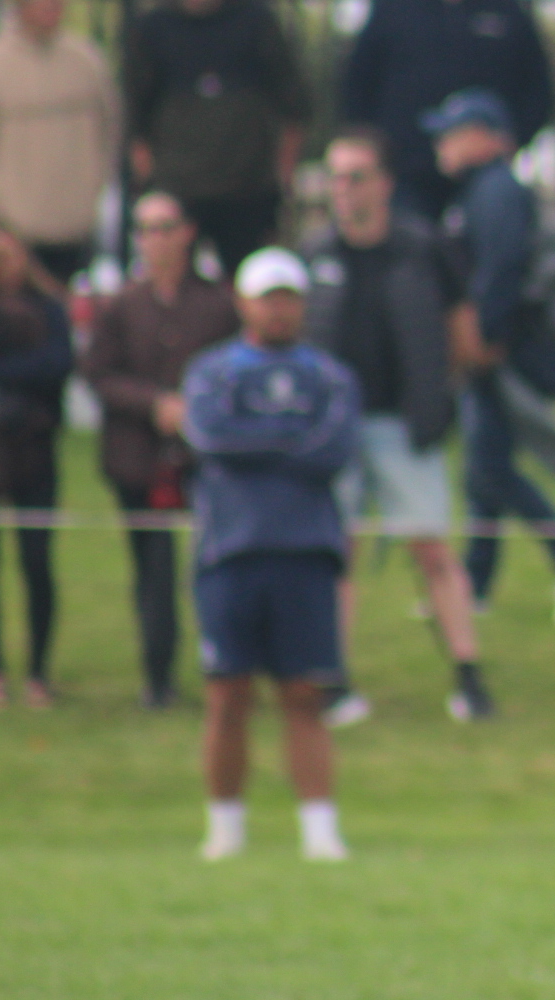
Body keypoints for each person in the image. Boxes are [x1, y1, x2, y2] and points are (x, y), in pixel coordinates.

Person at [303, 126, 494, 722]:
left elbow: (462, 331)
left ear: (383, 184)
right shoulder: (313, 254)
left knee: (432, 549)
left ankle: (468, 677)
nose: (343, 189)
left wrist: (440, 395)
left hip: (404, 424)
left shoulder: (423, 248)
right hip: (334, 429)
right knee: (338, 554)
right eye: (334, 177)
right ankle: (332, 679)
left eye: (355, 177)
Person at [183, 247, 358, 862]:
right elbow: (211, 438)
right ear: (243, 302)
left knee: (305, 693)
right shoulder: (212, 372)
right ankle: (225, 828)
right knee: (227, 693)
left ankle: (320, 831)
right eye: (267, 298)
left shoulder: (330, 376)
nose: (278, 309)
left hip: (305, 550)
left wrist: (258, 443)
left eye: (288, 298)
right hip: (230, 551)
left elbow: (333, 449)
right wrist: (288, 440)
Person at [431, 90, 555, 624]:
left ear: (487, 138)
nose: (442, 143)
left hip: (499, 348)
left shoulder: (496, 191)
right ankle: (474, 587)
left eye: (452, 132)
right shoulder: (482, 190)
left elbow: (503, 266)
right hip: (495, 344)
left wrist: (483, 335)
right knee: (483, 468)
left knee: (489, 470)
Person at [82, 192, 239, 708]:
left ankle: (225, 666)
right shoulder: (121, 304)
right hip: (138, 458)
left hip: (204, 458)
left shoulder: (217, 303)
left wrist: (197, 406)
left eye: (165, 227)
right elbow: (98, 373)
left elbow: (235, 366)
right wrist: (154, 404)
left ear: (187, 232)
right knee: (152, 569)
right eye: (145, 229)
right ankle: (158, 676)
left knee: (215, 563)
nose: (156, 240)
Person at [341, 0, 554, 221]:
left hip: (484, 166)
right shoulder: (395, 8)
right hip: (406, 172)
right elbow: (356, 85)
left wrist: (506, 141)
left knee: (501, 204)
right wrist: (380, 152)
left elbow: (539, 88)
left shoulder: (505, 10)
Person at [123, 0, 311, 277]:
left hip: (246, 189)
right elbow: (136, 111)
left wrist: (282, 174)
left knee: (249, 279)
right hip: (179, 188)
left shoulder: (255, 21)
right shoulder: (154, 28)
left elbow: (293, 104)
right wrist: (149, 178)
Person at [0, 223, 73, 710]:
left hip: (34, 442)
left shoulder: (46, 307)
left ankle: (38, 671)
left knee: (36, 559)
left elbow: (57, 363)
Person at [0, 0, 122, 286]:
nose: (51, 10)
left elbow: (110, 127)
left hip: (77, 218)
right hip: (18, 223)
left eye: (56, 1)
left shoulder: (86, 60)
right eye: (41, 1)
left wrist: (96, 181)